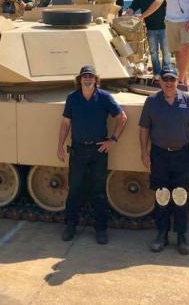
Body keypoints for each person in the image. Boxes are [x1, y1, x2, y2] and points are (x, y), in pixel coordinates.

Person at [57, 65, 128, 244]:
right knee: (74, 190)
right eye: (84, 77)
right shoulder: (72, 98)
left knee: (99, 192)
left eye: (90, 77)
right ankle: (70, 226)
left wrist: (113, 140)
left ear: (96, 79)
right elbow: (66, 123)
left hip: (98, 150)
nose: (87, 79)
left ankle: (101, 229)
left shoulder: (104, 97)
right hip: (78, 150)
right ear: (79, 80)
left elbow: (122, 118)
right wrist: (59, 145)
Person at [138, 65, 189, 255]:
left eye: (172, 80)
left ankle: (182, 236)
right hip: (159, 155)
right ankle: (162, 234)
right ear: (160, 81)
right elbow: (144, 129)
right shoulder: (152, 102)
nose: (168, 83)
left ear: (178, 81)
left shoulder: (188, 101)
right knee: (162, 196)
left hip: (182, 154)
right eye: (165, 79)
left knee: (180, 196)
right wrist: (144, 152)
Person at [126, 0, 171, 79]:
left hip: (164, 27)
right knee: (153, 52)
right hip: (151, 29)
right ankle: (157, 73)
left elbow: (168, 5)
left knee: (166, 52)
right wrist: (126, 14)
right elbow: (131, 9)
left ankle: (166, 72)